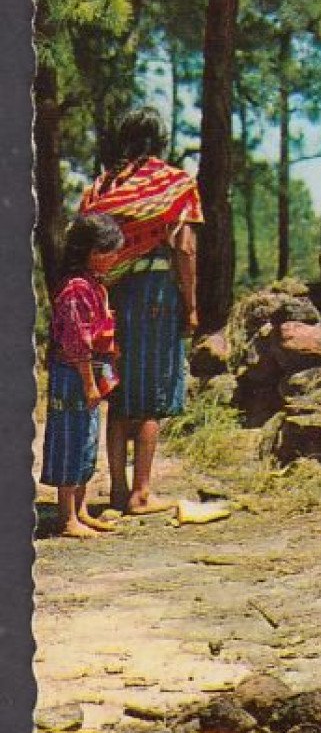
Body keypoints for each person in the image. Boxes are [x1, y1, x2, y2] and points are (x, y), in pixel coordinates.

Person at [78, 107, 202, 515]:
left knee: (119, 389)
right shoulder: (174, 184)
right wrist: (191, 306)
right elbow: (184, 248)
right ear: (161, 140)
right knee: (152, 393)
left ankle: (116, 489)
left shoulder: (101, 188)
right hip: (156, 296)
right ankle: (141, 494)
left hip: (109, 297)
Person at [42, 214, 125, 539]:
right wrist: (89, 384)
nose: (116, 258)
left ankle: (81, 509)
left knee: (87, 439)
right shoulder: (75, 289)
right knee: (70, 439)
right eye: (111, 252)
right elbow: (76, 341)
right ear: (93, 252)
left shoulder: (92, 285)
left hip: (89, 370)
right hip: (74, 373)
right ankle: (66, 517)